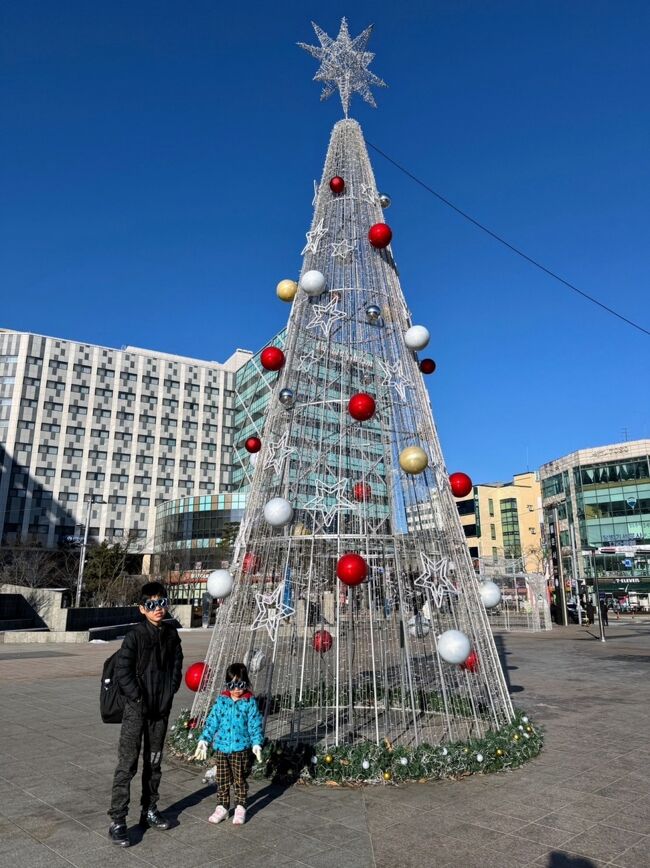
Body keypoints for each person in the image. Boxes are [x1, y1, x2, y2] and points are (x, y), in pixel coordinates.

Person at [108, 582, 183, 847]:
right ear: (142, 609)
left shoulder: (172, 635)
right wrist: (138, 697)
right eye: (151, 604)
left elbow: (177, 667)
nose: (158, 608)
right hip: (136, 712)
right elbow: (123, 671)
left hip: (160, 712)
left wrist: (170, 691)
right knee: (127, 765)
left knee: (154, 763)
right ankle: (118, 819)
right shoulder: (135, 636)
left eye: (162, 602)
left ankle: (148, 810)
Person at [193, 663, 264, 826]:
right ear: (227, 685)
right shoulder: (222, 701)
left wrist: (256, 742)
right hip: (222, 748)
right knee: (222, 779)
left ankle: (240, 806)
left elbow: (255, 724)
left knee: (240, 779)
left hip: (241, 748)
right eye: (232, 685)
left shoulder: (249, 702)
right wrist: (204, 738)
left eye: (240, 685)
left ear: (246, 683)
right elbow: (212, 721)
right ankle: (222, 807)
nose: (236, 689)